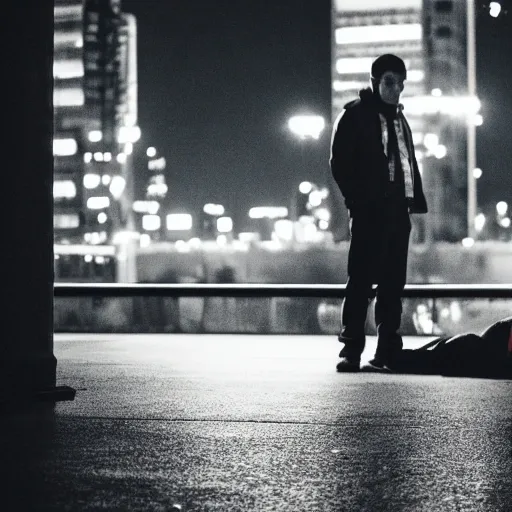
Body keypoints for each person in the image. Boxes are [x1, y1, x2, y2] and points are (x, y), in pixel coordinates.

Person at [329, 54, 428, 372]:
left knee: (392, 284)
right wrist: (355, 201)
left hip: (398, 213)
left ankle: (386, 349)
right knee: (359, 282)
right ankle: (351, 350)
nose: (396, 89)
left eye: (400, 83)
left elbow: (407, 165)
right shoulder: (355, 116)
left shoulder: (400, 120)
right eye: (389, 82)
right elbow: (339, 163)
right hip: (369, 212)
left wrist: (411, 203)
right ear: (375, 82)